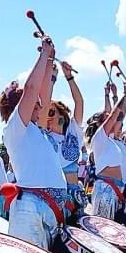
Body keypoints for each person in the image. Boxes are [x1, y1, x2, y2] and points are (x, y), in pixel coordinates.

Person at [1, 39, 67, 248]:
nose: (41, 105)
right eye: (35, 104)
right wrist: (42, 56)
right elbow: (31, 89)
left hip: (45, 207)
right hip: (30, 208)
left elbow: (43, 94)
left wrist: (49, 60)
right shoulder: (15, 129)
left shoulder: (35, 129)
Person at [41, 61, 86, 216]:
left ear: (62, 115)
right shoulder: (43, 137)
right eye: (46, 113)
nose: (48, 117)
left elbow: (79, 102)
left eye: (51, 113)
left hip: (75, 196)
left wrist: (69, 77)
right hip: (52, 196)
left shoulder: (73, 133)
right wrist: (51, 79)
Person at [85, 80, 126, 219]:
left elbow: (120, 115)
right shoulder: (99, 138)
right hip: (106, 189)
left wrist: (122, 96)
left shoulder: (109, 139)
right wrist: (124, 93)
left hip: (115, 188)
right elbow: (113, 116)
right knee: (105, 233)